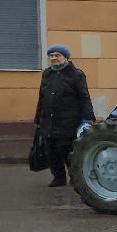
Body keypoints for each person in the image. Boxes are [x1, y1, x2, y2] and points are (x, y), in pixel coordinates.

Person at [34, 45, 94, 187]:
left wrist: (88, 117)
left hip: (68, 121)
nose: (54, 58)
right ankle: (59, 178)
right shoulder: (47, 74)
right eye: (51, 55)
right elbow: (42, 97)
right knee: (52, 152)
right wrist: (38, 117)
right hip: (49, 120)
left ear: (65, 57)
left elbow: (84, 97)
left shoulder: (76, 74)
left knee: (67, 151)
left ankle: (76, 177)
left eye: (57, 55)